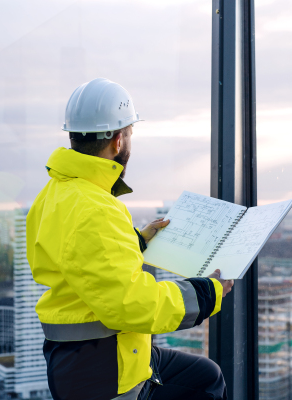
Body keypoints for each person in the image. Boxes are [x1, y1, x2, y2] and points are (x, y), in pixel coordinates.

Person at [26, 78, 234, 400]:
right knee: (205, 384)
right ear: (119, 141)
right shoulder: (96, 209)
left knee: (206, 377)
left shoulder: (56, 194)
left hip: (90, 357)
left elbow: (81, 258)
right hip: (105, 372)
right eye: (131, 134)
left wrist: (136, 240)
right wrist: (207, 293)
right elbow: (132, 303)